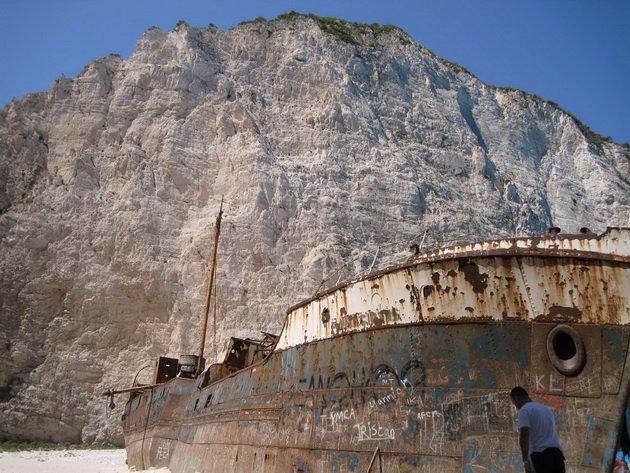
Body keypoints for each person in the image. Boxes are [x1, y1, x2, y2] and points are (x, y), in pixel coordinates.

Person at [510, 386, 565, 473]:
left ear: (517, 399)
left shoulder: (524, 410)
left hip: (541, 456)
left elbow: (524, 435)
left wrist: (526, 461)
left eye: (514, 404)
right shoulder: (546, 409)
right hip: (557, 455)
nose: (516, 407)